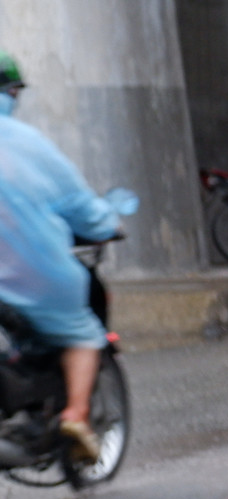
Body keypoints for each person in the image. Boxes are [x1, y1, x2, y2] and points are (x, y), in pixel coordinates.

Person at [0, 51, 123, 461]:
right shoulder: (27, 143)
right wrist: (107, 224)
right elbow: (80, 205)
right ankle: (76, 414)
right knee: (82, 333)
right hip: (30, 275)